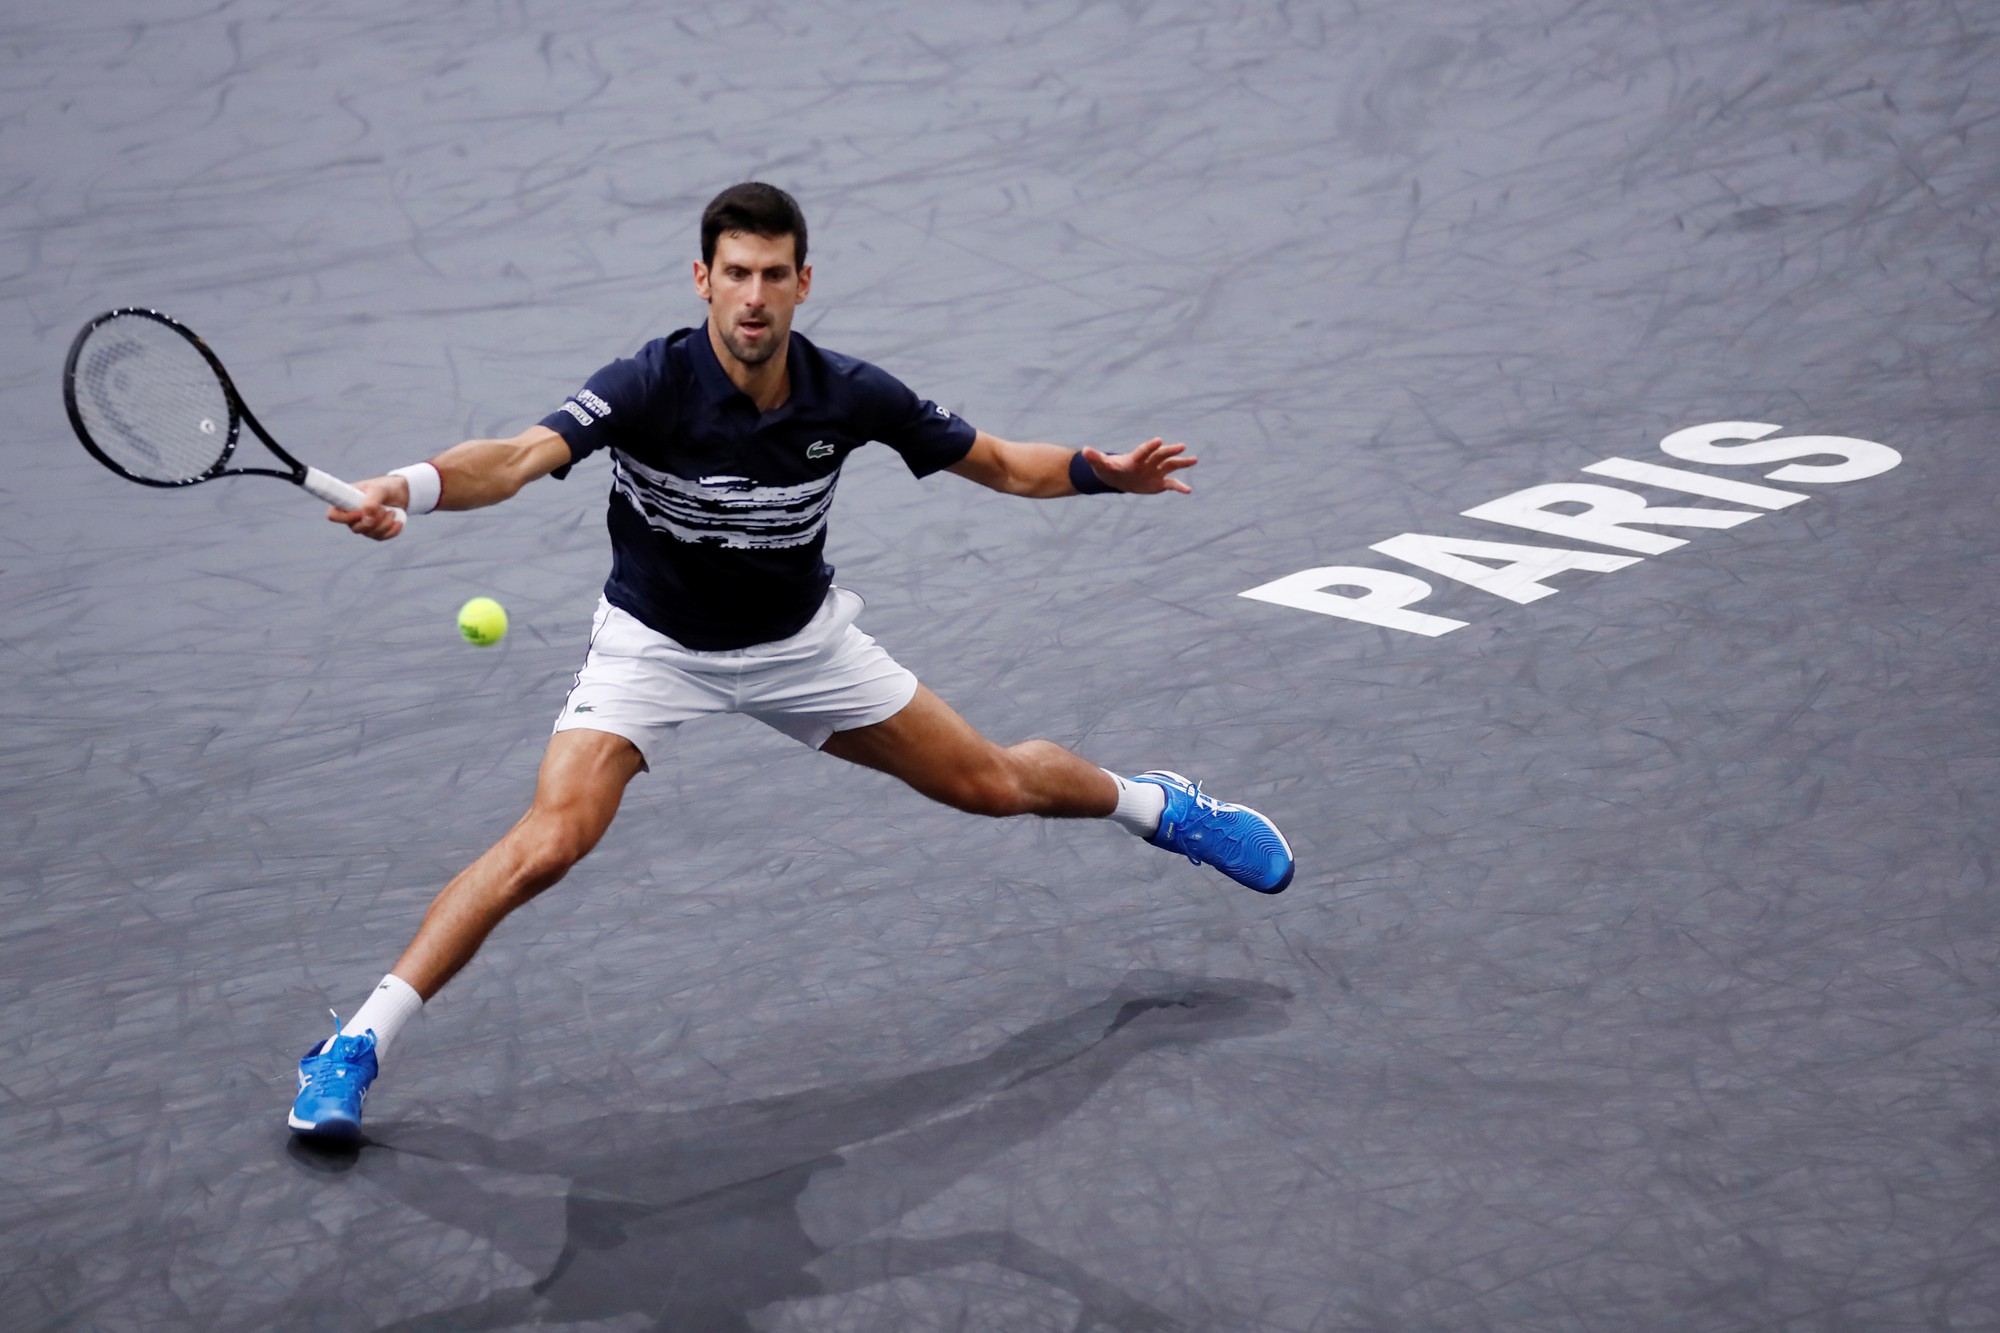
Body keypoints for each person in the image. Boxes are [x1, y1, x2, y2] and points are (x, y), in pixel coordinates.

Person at [289, 182, 1293, 1143]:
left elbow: (993, 460)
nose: (754, 296)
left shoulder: (847, 392)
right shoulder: (644, 385)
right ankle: (351, 1046)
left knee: (989, 784)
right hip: (655, 649)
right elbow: (510, 459)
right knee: (548, 843)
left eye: (773, 275)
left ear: (802, 284)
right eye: (736, 274)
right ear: (701, 280)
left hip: (799, 649)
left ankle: (1158, 807)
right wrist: (402, 486)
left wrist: (1097, 474)